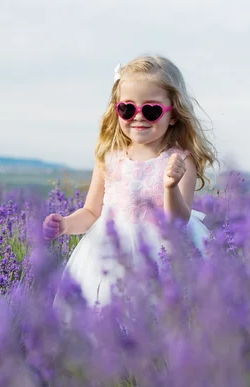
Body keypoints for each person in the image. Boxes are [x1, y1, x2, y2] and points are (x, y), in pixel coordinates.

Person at [43, 54, 217, 308]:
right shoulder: (109, 158)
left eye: (151, 110)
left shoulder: (180, 160)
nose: (138, 117)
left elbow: (178, 221)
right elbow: (92, 212)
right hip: (108, 256)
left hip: (160, 257)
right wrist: (66, 225)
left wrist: (170, 187)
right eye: (127, 108)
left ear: (174, 114)